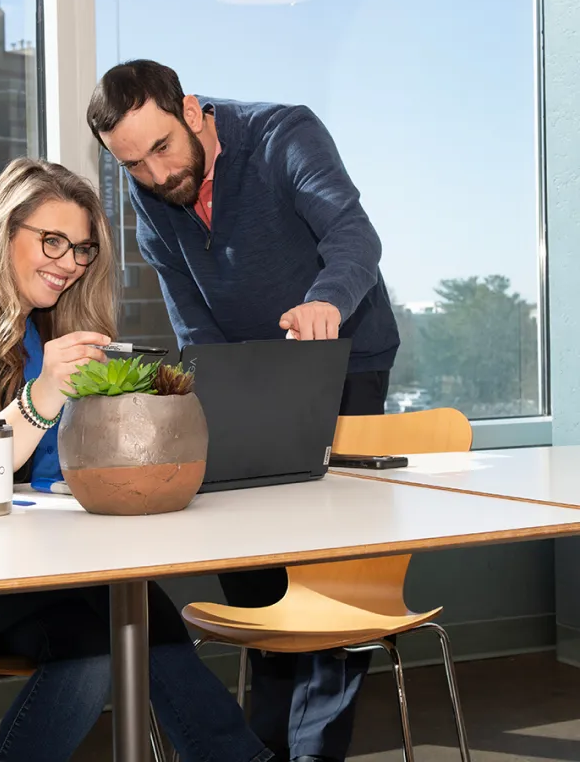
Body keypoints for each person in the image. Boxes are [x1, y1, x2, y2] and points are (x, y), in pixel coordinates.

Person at [0, 157, 274, 762]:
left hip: (14, 565)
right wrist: (45, 394)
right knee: (106, 631)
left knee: (126, 615)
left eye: (81, 250)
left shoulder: (42, 330)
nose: (68, 263)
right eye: (51, 241)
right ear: (1, 235)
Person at [87, 60, 401, 762]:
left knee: (333, 570)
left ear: (192, 109)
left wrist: (326, 302)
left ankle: (314, 753)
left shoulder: (281, 133)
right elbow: (191, 318)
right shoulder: (152, 186)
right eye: (132, 164)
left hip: (343, 359)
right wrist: (209, 390)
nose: (155, 173)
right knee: (253, 561)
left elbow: (354, 236)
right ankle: (262, 747)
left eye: (162, 148)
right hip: (251, 376)